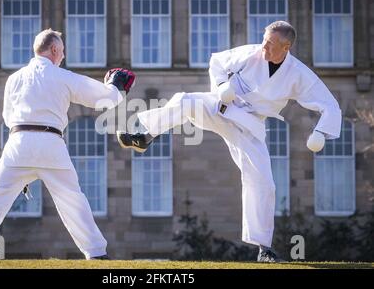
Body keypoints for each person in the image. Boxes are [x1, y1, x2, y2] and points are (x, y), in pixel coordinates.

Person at [117, 21, 342, 262]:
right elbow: (217, 62)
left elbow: (329, 104)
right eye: (264, 40)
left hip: (249, 127)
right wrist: (223, 86)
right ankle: (145, 136)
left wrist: (320, 132)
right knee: (185, 100)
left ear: (285, 48)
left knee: (264, 182)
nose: (263, 47)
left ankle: (263, 248)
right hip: (221, 107)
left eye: (270, 44)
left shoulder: (298, 75)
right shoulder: (250, 53)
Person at [0, 29, 135, 261]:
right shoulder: (61, 76)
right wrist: (115, 86)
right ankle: (96, 253)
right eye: (61, 51)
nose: (62, 56)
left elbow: (6, 117)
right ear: (53, 49)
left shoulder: (14, 79)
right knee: (72, 198)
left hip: (18, 142)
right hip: (50, 142)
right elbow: (103, 98)